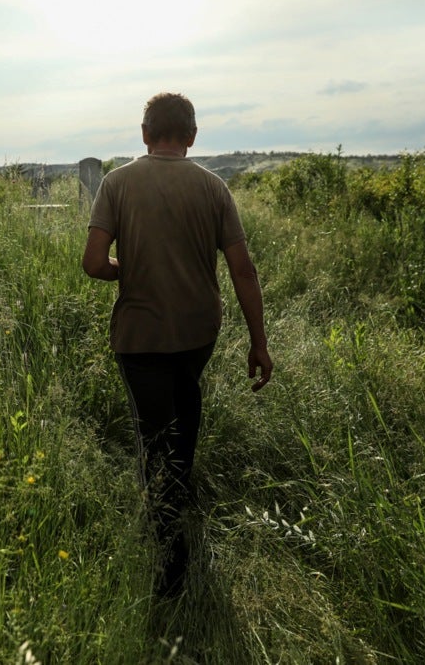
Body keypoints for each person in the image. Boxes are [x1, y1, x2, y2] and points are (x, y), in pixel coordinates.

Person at [82, 92, 273, 597]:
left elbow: (94, 264)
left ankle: (169, 564)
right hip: (196, 335)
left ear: (145, 134)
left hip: (140, 337)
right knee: (184, 411)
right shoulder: (213, 188)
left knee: (154, 438)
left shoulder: (117, 184)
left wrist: (130, 268)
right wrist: (259, 343)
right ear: (191, 136)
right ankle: (178, 497)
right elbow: (242, 270)